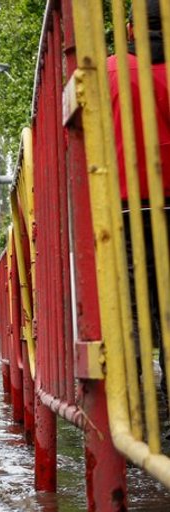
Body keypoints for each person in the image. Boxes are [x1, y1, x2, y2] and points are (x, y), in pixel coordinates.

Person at [108, 0, 170, 401]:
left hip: (124, 215)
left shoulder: (109, 70)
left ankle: (131, 409)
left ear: (130, 30)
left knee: (127, 312)